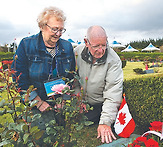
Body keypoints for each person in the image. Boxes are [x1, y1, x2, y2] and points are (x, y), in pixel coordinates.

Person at [11, 6, 75, 144]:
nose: (58, 34)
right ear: (42, 26)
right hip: (34, 106)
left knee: (59, 139)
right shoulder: (27, 45)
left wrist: (63, 99)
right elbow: (19, 79)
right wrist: (38, 102)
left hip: (58, 106)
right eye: (54, 29)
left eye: (61, 29)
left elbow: (70, 77)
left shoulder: (67, 47)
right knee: (37, 140)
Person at [74, 25, 123, 144]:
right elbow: (72, 80)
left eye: (104, 45)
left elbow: (113, 92)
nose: (101, 50)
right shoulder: (76, 53)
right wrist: (78, 99)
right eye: (96, 46)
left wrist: (105, 122)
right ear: (86, 42)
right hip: (81, 103)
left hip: (100, 104)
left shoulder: (114, 60)